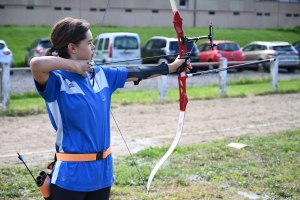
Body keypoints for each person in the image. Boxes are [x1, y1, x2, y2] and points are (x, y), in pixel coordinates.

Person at [30, 17, 192, 200]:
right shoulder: (57, 81)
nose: (93, 48)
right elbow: (36, 64)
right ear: (72, 47)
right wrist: (74, 66)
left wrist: (170, 67)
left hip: (102, 173)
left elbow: (137, 72)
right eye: (89, 43)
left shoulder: (100, 74)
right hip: (71, 175)